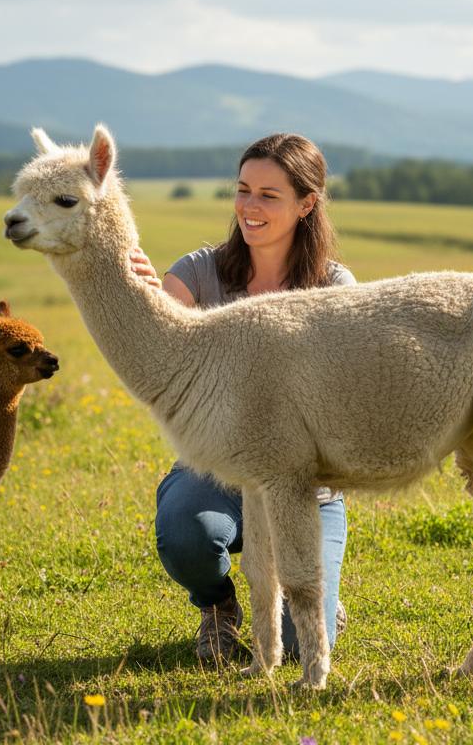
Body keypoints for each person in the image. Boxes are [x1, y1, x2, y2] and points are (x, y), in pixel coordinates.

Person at [129, 133, 354, 664]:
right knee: (187, 533)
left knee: (302, 646)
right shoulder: (200, 270)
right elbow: (156, 347)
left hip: (307, 487)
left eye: (268, 196)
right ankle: (218, 608)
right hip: (216, 473)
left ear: (307, 204)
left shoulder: (335, 287)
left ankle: (321, 601)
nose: (249, 207)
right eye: (243, 190)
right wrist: (134, 295)